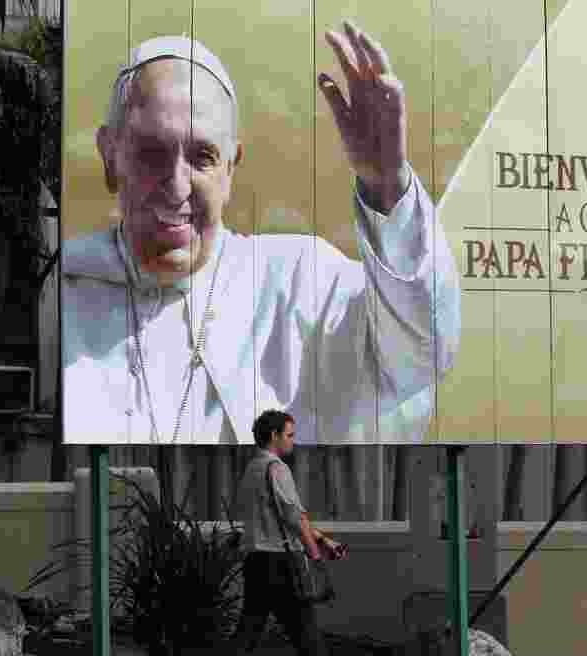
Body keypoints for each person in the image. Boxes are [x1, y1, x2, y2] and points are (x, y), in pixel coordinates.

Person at [62, 24, 460, 445]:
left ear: (231, 167)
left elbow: (423, 350)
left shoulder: (301, 284)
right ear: (110, 157)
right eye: (151, 153)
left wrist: (387, 185)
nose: (177, 186)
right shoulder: (65, 291)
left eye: (202, 157)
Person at [208, 409, 350, 656]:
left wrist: (323, 540)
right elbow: (294, 516)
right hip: (281, 563)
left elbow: (280, 515)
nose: (292, 442)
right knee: (306, 634)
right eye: (289, 435)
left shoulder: (252, 470)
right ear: (274, 436)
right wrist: (315, 553)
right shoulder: (277, 469)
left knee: (247, 632)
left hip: (256, 560)